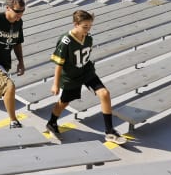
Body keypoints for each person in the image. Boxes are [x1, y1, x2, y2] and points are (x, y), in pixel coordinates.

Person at [46, 10, 124, 144]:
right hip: (71, 76)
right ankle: (51, 123)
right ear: (75, 24)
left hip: (86, 71)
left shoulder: (88, 38)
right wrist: (55, 84)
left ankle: (109, 131)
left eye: (90, 26)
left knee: (104, 93)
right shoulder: (65, 41)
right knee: (64, 103)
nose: (88, 29)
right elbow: (59, 64)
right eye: (85, 26)